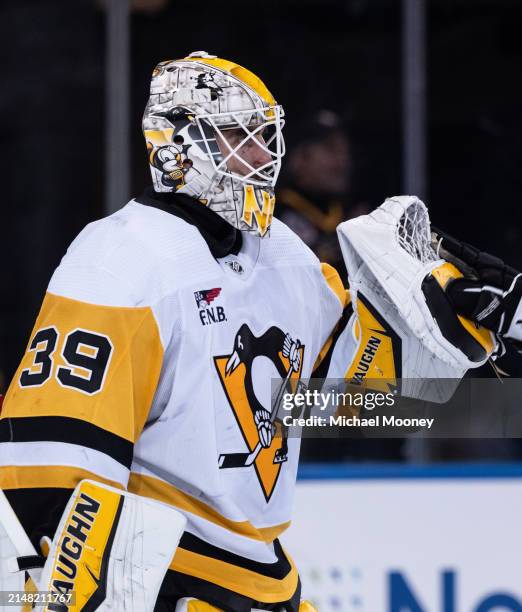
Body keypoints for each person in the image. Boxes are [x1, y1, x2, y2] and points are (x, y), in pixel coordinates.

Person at [0, 52, 497, 611]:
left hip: (264, 580)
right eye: (239, 134)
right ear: (179, 145)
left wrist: (464, 346)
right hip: (166, 579)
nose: (263, 155)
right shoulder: (121, 258)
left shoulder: (285, 255)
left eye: (265, 135)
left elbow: (340, 403)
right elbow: (47, 464)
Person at [276, 110, 369, 275]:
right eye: (331, 149)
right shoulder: (273, 217)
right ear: (299, 157)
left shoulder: (356, 212)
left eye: (345, 151)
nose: (343, 162)